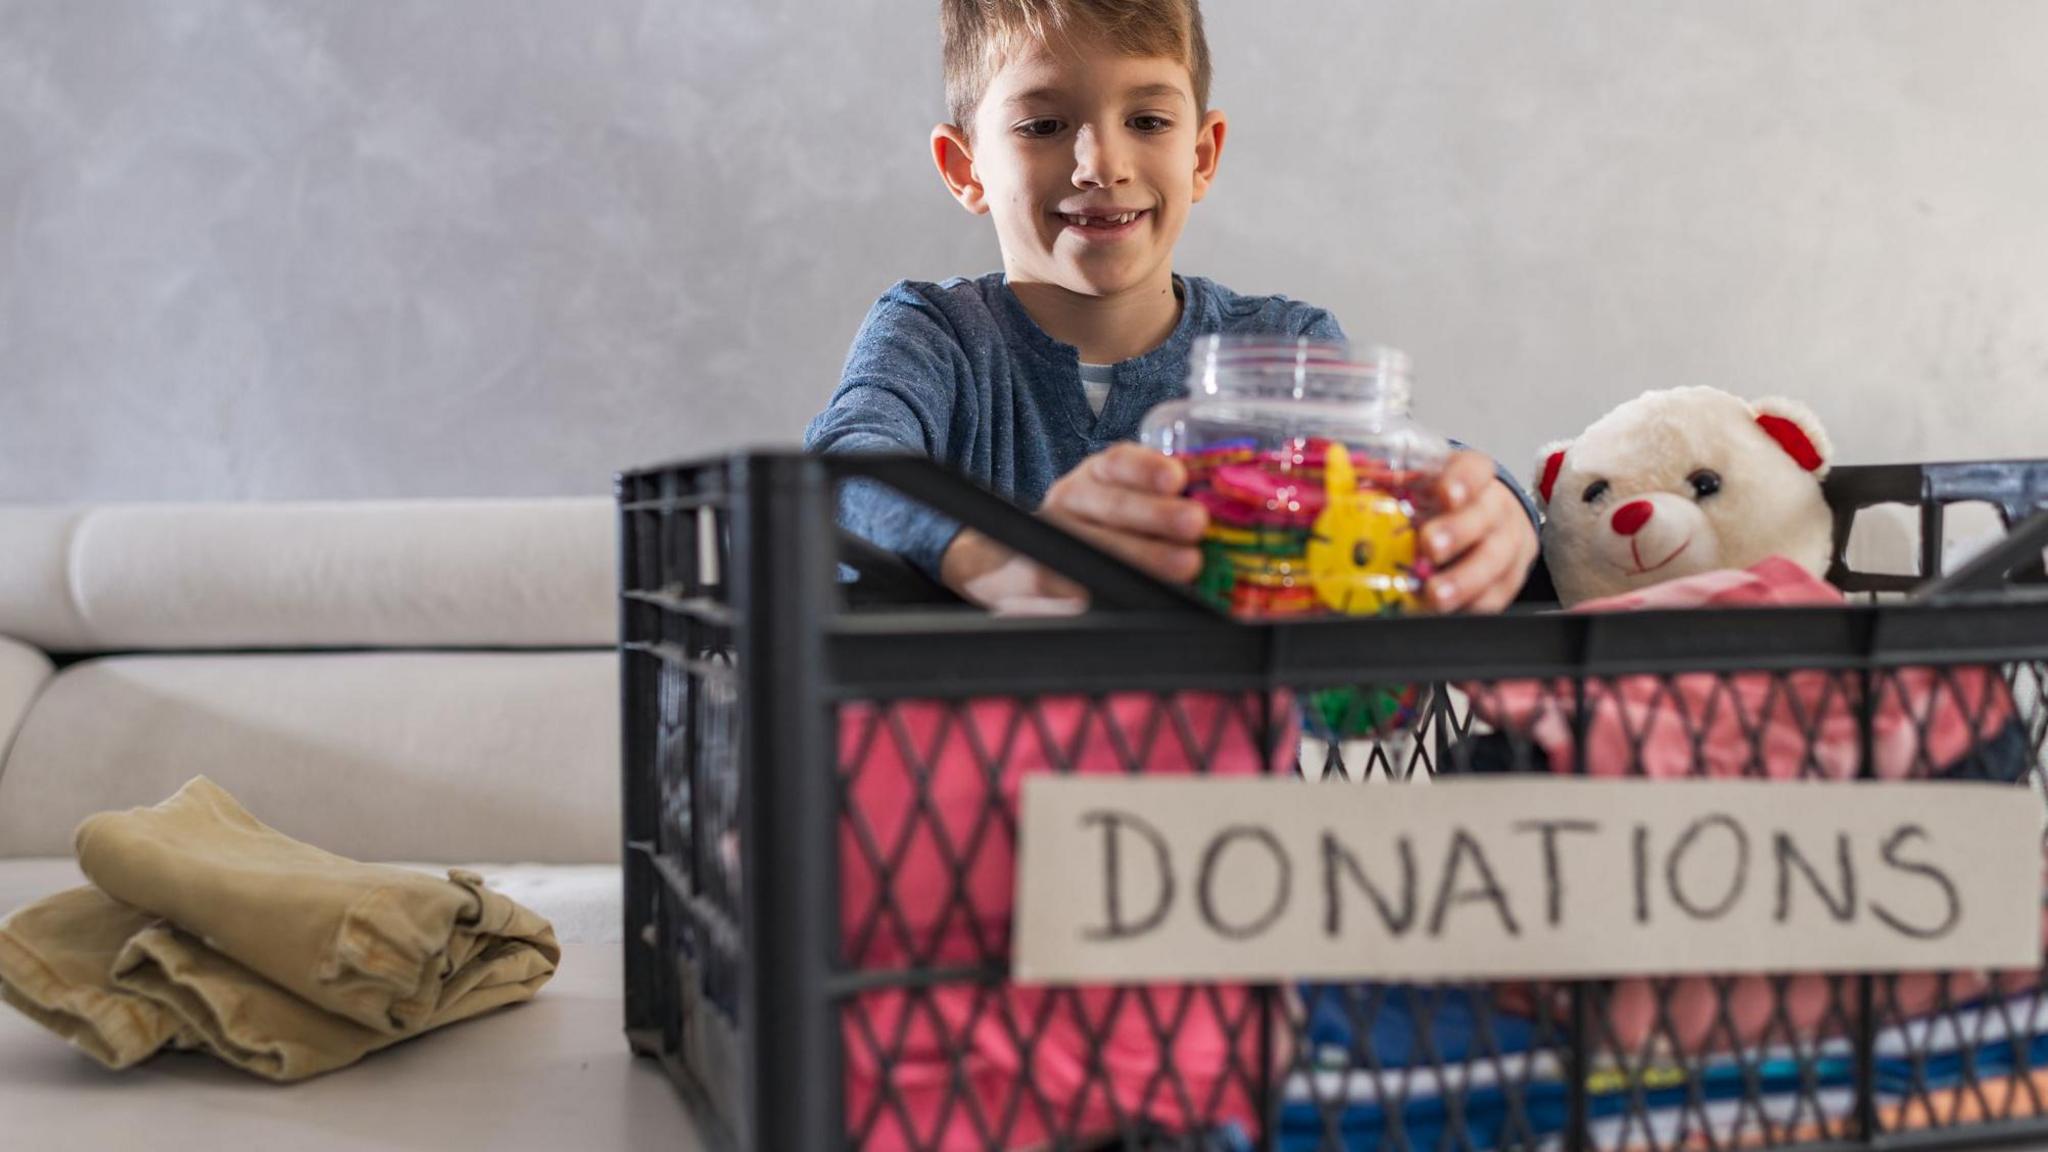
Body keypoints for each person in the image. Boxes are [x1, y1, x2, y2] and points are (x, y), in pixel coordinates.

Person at [805, 0, 1541, 614]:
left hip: (1219, 785)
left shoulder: (1283, 349)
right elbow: (842, 472)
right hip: (980, 780)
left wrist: (1499, 513)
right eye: (1043, 126)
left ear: (1202, 154)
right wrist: (995, 556)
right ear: (966, 169)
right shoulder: (934, 338)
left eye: (1149, 121)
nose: (1103, 165)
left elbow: (1397, 467)